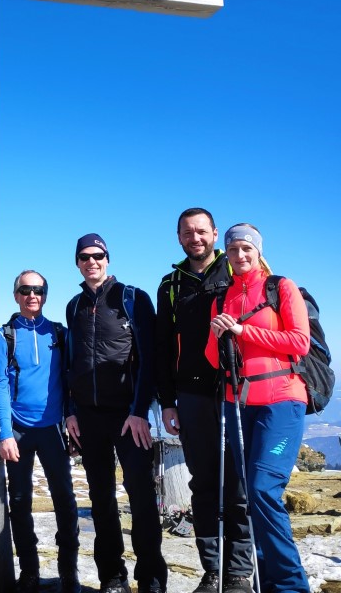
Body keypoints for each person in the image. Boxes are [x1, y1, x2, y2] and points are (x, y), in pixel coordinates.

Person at [206, 224, 310, 593]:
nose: (239, 255)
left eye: (246, 248)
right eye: (233, 249)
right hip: (238, 405)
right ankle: (270, 583)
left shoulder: (281, 287)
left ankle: (291, 586)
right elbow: (211, 358)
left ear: (258, 251)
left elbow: (300, 342)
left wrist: (241, 331)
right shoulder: (222, 298)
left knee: (264, 489)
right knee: (253, 494)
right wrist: (219, 333)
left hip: (282, 401)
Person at [155, 208, 252, 593]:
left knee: (240, 485)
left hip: (236, 392)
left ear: (214, 233)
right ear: (178, 237)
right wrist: (167, 402)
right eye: (187, 232)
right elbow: (162, 348)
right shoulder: (171, 284)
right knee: (204, 483)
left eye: (201, 231)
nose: (195, 238)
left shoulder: (236, 274)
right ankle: (212, 571)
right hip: (191, 395)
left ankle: (239, 572)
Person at [64, 233, 167, 593]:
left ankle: (152, 577)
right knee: (100, 498)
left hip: (128, 416)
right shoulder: (74, 305)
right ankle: (112, 577)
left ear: (108, 259)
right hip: (89, 418)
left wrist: (140, 410)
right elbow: (71, 363)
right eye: (84, 257)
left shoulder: (132, 298)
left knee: (140, 496)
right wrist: (71, 411)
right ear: (77, 262)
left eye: (98, 255)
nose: (92, 262)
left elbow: (149, 359)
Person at [0, 270, 80, 593]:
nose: (33, 295)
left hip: (53, 429)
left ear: (45, 294)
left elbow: (70, 381)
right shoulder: (6, 336)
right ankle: (29, 571)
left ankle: (68, 571)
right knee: (20, 502)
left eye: (39, 290)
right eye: (26, 290)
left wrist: (72, 419)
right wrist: (4, 433)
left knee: (65, 501)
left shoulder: (59, 333)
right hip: (18, 431)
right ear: (16, 294)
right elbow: (0, 384)